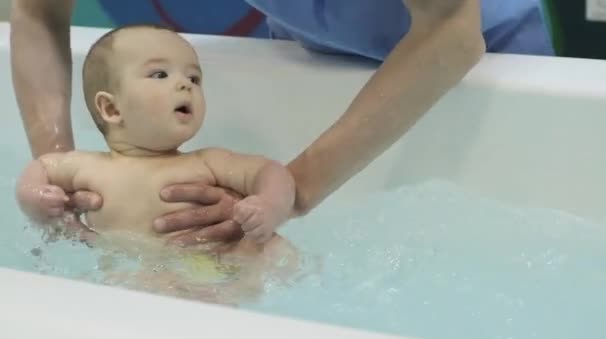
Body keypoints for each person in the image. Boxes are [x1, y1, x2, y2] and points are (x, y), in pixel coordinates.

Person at [10, 0, 552, 245]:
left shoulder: (216, 164)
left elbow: (451, 31)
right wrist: (57, 178)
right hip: (308, 51)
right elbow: (37, 13)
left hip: (472, 70)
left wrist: (294, 193)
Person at [15, 24, 299, 303]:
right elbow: (42, 167)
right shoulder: (88, 166)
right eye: (160, 74)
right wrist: (35, 197)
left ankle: (239, 292)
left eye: (195, 78)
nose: (185, 84)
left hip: (208, 264)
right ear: (112, 108)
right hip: (133, 275)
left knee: (275, 248)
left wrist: (268, 206)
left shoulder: (206, 162)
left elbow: (271, 171)